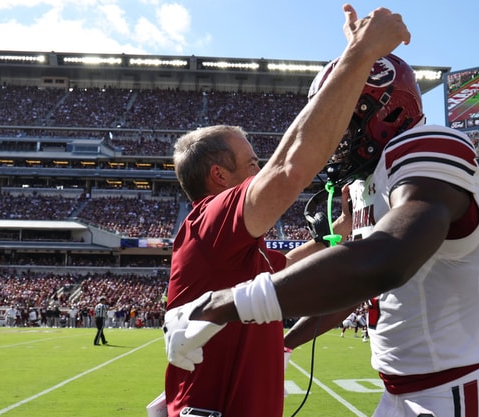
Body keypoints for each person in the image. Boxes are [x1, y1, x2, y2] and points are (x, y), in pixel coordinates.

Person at [165, 50, 479, 417]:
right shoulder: (369, 182)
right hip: (399, 388)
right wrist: (287, 342)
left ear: (384, 112)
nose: (334, 138)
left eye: (343, 118)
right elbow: (355, 285)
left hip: (449, 390)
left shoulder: (425, 145)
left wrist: (226, 305)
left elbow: (385, 260)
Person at [161, 5, 411, 417]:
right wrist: (362, 51)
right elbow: (289, 168)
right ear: (220, 177)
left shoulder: (232, 250)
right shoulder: (208, 222)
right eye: (251, 163)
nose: (259, 169)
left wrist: (330, 235)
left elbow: (284, 267)